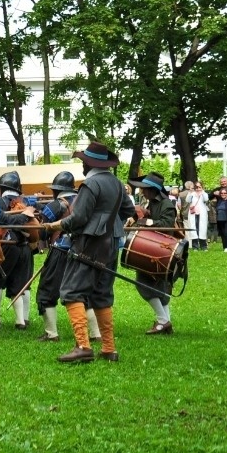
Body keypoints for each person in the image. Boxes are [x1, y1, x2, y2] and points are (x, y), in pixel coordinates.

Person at [42, 141, 135, 363]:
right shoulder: (117, 183)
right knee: (102, 294)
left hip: (89, 244)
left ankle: (83, 346)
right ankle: (109, 348)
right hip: (112, 242)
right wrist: (109, 225)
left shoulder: (90, 184)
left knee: (71, 291)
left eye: (83, 161)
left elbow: (79, 218)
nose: (82, 166)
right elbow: (130, 212)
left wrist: (54, 225)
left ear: (88, 163)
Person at [35, 172, 102, 343]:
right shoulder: (86, 202)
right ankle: (95, 333)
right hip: (83, 251)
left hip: (61, 252)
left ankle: (51, 333)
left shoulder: (55, 205)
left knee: (46, 291)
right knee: (82, 293)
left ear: (57, 190)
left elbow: (43, 231)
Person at [0, 171, 37, 330]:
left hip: (6, 246)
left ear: (1, 188)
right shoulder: (28, 201)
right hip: (25, 248)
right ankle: (22, 320)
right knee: (22, 284)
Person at [129, 171, 178, 335]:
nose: (143, 191)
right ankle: (166, 323)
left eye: (145, 189)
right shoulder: (152, 204)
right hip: (153, 248)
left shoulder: (167, 205)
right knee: (158, 286)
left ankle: (163, 321)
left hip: (162, 251)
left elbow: (167, 225)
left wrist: (148, 221)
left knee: (145, 283)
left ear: (153, 190)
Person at [185, 182, 209, 251]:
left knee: (202, 230)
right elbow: (187, 200)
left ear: (202, 187)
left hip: (202, 214)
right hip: (193, 214)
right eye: (197, 187)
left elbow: (206, 199)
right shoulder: (192, 194)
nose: (198, 189)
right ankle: (195, 246)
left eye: (199, 187)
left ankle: (203, 246)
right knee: (194, 230)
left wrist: (202, 192)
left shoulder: (204, 194)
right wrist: (190, 192)